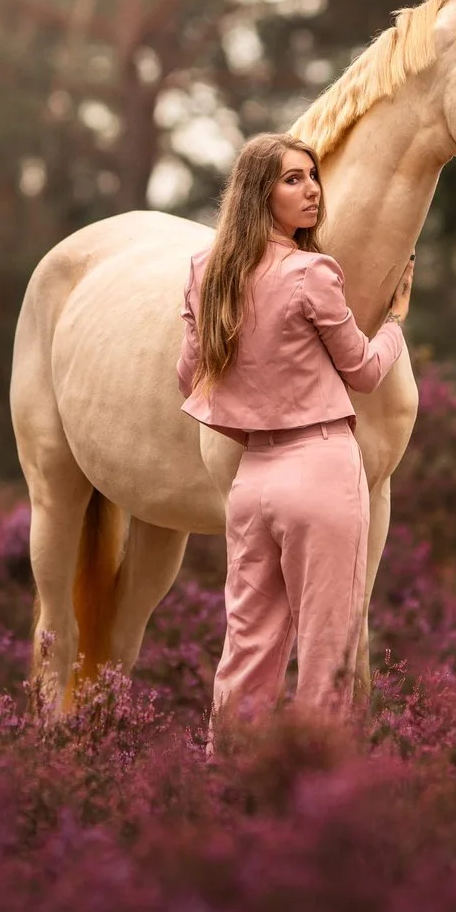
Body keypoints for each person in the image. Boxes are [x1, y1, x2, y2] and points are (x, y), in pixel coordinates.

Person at [177, 131, 414, 750]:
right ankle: (316, 810)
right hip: (322, 469)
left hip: (251, 481)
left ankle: (224, 791)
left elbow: (188, 375)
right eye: (291, 179)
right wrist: (394, 323)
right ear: (261, 195)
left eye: (312, 176)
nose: (311, 189)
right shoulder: (313, 273)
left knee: (245, 651)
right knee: (326, 655)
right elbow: (362, 369)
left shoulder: (205, 273)